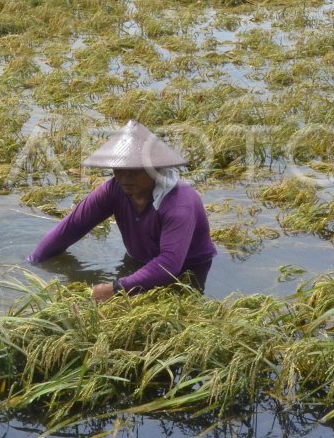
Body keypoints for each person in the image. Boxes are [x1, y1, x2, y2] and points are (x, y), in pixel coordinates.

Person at [28, 121, 216, 302]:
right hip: (139, 263)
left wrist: (115, 288)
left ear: (155, 169)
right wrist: (34, 263)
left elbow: (168, 265)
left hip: (187, 271)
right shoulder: (114, 190)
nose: (125, 178)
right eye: (119, 170)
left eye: (133, 171)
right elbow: (71, 227)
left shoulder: (179, 204)